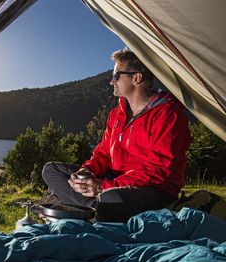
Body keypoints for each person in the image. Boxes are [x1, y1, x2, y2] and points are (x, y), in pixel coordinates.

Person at [41, 48, 191, 222]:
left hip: (152, 189)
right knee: (51, 170)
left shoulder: (167, 113)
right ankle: (94, 210)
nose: (112, 81)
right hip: (113, 181)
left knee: (112, 198)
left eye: (117, 75)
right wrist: (87, 170)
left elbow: (158, 170)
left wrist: (103, 187)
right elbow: (103, 152)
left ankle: (89, 209)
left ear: (137, 78)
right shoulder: (116, 114)